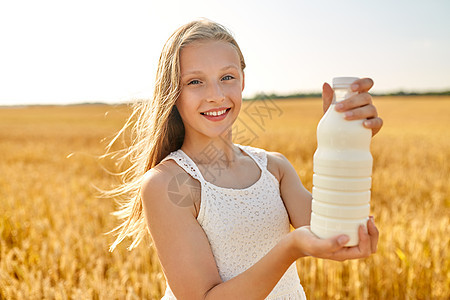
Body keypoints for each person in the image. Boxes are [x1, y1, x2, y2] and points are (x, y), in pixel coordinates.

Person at [106, 19, 382, 299]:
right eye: (195, 82)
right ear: (173, 92)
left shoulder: (274, 168)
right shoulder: (167, 184)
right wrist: (291, 248)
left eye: (227, 77)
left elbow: (337, 233)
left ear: (243, 80)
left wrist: (344, 140)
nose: (216, 95)